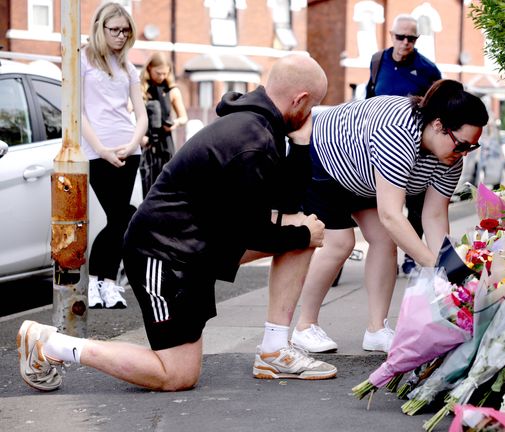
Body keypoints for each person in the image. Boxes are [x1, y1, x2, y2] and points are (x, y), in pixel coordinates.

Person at [17, 54, 335, 392]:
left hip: (193, 248)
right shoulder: (253, 141)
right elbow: (253, 232)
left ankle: (273, 349)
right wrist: (301, 233)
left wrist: (300, 146)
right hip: (162, 255)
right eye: (311, 106)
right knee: (176, 375)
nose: (310, 115)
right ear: (300, 99)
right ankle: (52, 344)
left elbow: (285, 203)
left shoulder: (259, 129)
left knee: (304, 231)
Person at [291, 80, 489, 353]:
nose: (463, 154)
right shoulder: (398, 134)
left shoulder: (450, 158)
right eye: (462, 145)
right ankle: (304, 326)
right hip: (325, 158)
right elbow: (391, 215)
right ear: (438, 125)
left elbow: (433, 216)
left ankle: (376, 329)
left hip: (366, 175)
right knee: (340, 244)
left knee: (385, 241)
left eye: (471, 148)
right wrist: (432, 266)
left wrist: (452, 269)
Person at [80, 3, 147, 310]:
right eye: (115, 30)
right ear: (100, 28)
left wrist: (133, 142)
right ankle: (96, 282)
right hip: (97, 151)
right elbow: (78, 113)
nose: (121, 36)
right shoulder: (81, 60)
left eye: (126, 31)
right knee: (118, 217)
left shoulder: (128, 68)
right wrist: (103, 150)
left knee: (121, 219)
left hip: (127, 149)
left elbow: (141, 115)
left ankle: (107, 284)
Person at [365, 14, 442, 277]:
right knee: (382, 205)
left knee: (416, 205)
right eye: (401, 37)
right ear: (391, 35)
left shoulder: (427, 69)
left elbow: (437, 109)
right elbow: (369, 98)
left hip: (413, 148)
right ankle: (381, 252)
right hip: (379, 145)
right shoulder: (378, 61)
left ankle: (411, 257)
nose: (406, 42)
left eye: (412, 38)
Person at [139, 52, 188, 197]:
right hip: (146, 143)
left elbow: (183, 117)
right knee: (148, 188)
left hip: (166, 143)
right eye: (158, 73)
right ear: (149, 69)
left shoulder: (173, 91)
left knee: (167, 186)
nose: (161, 77)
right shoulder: (140, 90)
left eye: (165, 73)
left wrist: (174, 124)